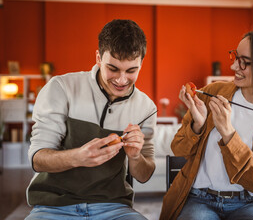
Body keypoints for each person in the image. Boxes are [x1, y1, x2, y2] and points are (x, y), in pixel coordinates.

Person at [160, 27, 253, 220]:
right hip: (199, 199)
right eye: (235, 57)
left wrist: (228, 134)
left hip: (251, 203)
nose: (234, 67)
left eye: (245, 63)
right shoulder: (213, 92)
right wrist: (197, 126)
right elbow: (178, 149)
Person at [25, 19, 156, 220]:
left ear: (141, 64)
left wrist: (136, 157)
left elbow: (144, 175)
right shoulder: (61, 88)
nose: (122, 80)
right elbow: (37, 159)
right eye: (113, 68)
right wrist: (78, 157)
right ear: (98, 57)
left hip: (114, 208)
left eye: (131, 71)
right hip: (53, 206)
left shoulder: (146, 108)